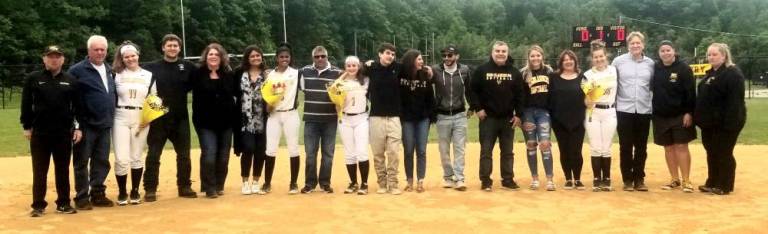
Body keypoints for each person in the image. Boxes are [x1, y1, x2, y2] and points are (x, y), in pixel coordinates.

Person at [21, 45, 81, 217]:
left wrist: (77, 128)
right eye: (50, 56)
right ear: (44, 59)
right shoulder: (34, 78)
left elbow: (78, 107)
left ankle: (63, 203)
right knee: (39, 170)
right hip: (40, 133)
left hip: (63, 133)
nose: (54, 59)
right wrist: (26, 126)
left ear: (63, 59)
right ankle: (38, 205)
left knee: (62, 170)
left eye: (57, 56)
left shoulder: (70, 80)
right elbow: (26, 104)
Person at [142, 34, 198, 201]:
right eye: (169, 45)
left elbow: (203, 78)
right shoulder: (151, 67)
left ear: (179, 48)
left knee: (184, 155)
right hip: (159, 116)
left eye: (175, 45)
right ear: (163, 48)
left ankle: (184, 186)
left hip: (180, 117)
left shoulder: (188, 66)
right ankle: (150, 189)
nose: (172, 48)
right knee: (153, 155)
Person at [469, 41, 525, 192]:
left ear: (507, 53)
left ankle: (507, 180)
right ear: (492, 52)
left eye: (503, 51)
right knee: (486, 151)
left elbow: (521, 95)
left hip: (508, 118)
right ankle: (486, 181)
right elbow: (472, 90)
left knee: (507, 151)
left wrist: (519, 115)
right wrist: (478, 108)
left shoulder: (514, 72)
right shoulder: (482, 70)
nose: (500, 53)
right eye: (498, 51)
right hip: (488, 118)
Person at [69, 35, 116, 209]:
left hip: (105, 124)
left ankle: (98, 193)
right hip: (85, 125)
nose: (99, 52)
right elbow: (71, 100)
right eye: (96, 49)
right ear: (88, 51)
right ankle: (81, 197)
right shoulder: (77, 71)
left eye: (102, 49)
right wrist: (76, 125)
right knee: (81, 161)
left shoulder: (110, 70)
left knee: (102, 161)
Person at [695, 43, 746, 195]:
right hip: (710, 124)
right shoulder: (710, 73)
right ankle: (712, 181)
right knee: (712, 152)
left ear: (724, 56)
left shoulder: (732, 74)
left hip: (726, 123)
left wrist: (729, 124)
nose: (711, 57)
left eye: (714, 54)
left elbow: (734, 102)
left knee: (724, 152)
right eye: (709, 54)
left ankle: (724, 185)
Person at [111, 42, 155, 205]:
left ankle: (135, 190)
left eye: (133, 55)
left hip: (140, 116)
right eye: (126, 56)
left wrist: (148, 119)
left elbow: (154, 99)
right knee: (122, 158)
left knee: (136, 156)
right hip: (120, 116)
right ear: (122, 58)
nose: (130, 58)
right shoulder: (116, 75)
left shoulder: (149, 75)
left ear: (138, 55)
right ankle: (122, 191)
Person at [190, 43, 236, 198]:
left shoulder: (228, 74)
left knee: (223, 156)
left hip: (226, 122)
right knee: (209, 153)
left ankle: (219, 184)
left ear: (221, 57)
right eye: (210, 54)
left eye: (216, 54)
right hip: (205, 123)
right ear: (206, 57)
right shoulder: (197, 74)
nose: (214, 56)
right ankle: (209, 187)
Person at [651, 40, 697, 193]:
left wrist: (689, 112)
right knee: (668, 148)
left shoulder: (683, 68)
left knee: (681, 146)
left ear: (674, 51)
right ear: (659, 53)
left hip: (680, 115)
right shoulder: (655, 68)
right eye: (662, 51)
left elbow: (691, 93)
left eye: (668, 50)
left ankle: (687, 180)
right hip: (660, 115)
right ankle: (674, 179)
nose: (665, 53)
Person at [611, 31, 654, 192]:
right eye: (632, 43)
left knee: (641, 147)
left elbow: (652, 85)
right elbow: (611, 82)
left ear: (643, 44)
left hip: (643, 110)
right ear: (628, 45)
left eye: (638, 43)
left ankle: (639, 178)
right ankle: (627, 179)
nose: (635, 45)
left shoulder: (650, 64)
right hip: (624, 109)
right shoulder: (618, 62)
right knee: (626, 146)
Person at [299, 46, 342, 194]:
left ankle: (325, 183)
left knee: (328, 154)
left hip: (330, 120)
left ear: (327, 57)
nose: (320, 59)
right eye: (317, 57)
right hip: (311, 120)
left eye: (323, 56)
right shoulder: (304, 71)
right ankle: (310, 183)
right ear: (313, 58)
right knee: (310, 154)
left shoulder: (337, 73)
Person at [261, 43, 301, 195]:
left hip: (290, 114)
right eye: (282, 57)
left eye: (287, 57)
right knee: (270, 149)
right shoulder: (270, 75)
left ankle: (293, 183)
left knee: (293, 148)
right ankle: (267, 183)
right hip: (274, 114)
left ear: (290, 58)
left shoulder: (297, 73)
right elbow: (267, 95)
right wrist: (268, 107)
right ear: (277, 58)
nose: (284, 59)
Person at [365, 43, 404, 195]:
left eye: (393, 54)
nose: (391, 56)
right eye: (388, 53)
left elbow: (414, 66)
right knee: (378, 153)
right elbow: (353, 69)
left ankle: (393, 183)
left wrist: (427, 69)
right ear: (380, 54)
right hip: (376, 117)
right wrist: (364, 64)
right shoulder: (371, 68)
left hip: (394, 117)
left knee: (393, 152)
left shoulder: (398, 68)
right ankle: (382, 182)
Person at [431, 45, 471, 191]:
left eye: (450, 55)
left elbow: (470, 90)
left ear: (457, 56)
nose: (447, 58)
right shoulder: (435, 70)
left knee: (460, 148)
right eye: (444, 55)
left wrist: (472, 106)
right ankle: (448, 177)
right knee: (444, 149)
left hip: (460, 114)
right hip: (442, 115)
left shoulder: (464, 70)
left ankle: (460, 178)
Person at [330, 56, 371, 195]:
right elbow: (333, 89)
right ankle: (353, 182)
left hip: (361, 118)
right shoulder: (340, 82)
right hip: (345, 119)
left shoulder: (365, 80)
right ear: (345, 67)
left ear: (359, 66)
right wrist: (344, 75)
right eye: (348, 66)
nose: (351, 68)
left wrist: (367, 64)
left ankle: (364, 184)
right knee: (349, 153)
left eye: (354, 65)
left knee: (362, 151)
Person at [548, 50, 587, 190]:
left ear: (575, 61)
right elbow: (549, 98)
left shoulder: (583, 77)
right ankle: (568, 179)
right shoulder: (553, 77)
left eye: (571, 59)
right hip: (559, 120)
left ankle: (577, 178)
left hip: (578, 120)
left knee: (576, 150)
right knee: (564, 150)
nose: (568, 62)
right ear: (561, 63)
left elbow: (589, 98)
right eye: (565, 60)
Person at [233, 45, 269, 195]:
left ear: (262, 57)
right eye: (252, 56)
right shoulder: (239, 73)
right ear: (247, 58)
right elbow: (234, 92)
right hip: (245, 120)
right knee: (248, 149)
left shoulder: (267, 74)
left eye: (258, 55)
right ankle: (245, 182)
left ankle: (256, 182)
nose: (256, 58)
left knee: (260, 151)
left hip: (263, 119)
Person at [399, 49, 436, 193]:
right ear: (411, 60)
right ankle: (409, 181)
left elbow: (430, 97)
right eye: (419, 59)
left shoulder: (425, 75)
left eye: (422, 59)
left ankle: (420, 181)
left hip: (422, 118)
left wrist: (431, 115)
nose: (422, 61)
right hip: (406, 119)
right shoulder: (400, 75)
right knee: (408, 150)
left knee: (421, 150)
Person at [583, 40, 618, 192]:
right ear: (592, 58)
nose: (599, 59)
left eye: (601, 56)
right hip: (594, 113)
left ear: (606, 56)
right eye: (596, 57)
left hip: (610, 111)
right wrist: (588, 98)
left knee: (606, 147)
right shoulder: (587, 75)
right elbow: (587, 99)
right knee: (596, 147)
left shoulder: (614, 71)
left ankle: (607, 178)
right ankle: (597, 178)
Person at [519, 45, 555, 191]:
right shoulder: (523, 73)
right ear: (528, 57)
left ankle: (550, 179)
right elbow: (519, 96)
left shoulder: (549, 71)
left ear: (542, 56)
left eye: (538, 55)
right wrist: (519, 115)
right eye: (532, 56)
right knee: (531, 145)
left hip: (543, 112)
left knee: (545, 144)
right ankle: (534, 178)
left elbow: (554, 92)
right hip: (528, 112)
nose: (535, 58)